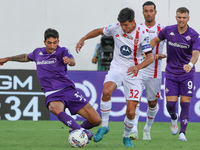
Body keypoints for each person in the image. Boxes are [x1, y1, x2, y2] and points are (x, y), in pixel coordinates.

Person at [0, 28, 102, 143]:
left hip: (68, 90)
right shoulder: (37, 52)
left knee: (96, 120)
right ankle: (81, 131)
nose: (52, 46)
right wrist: (8, 59)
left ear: (58, 42)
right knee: (54, 108)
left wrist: (68, 60)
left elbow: (73, 61)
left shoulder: (62, 51)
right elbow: (25, 57)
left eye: (55, 42)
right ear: (45, 42)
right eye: (49, 43)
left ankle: (78, 130)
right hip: (52, 93)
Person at [76, 8, 154, 147]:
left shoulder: (142, 34)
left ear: (133, 22)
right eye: (122, 25)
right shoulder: (116, 27)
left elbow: (150, 57)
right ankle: (104, 126)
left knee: (131, 112)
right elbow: (100, 30)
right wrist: (84, 38)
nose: (123, 28)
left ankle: (126, 136)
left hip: (134, 73)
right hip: (117, 68)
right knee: (106, 91)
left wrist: (138, 67)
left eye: (126, 25)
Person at [150, 7, 200, 141]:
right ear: (176, 17)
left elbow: (196, 53)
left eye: (184, 17)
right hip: (171, 73)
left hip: (186, 73)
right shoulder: (168, 30)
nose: (181, 20)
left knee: (185, 102)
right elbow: (154, 41)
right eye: (179, 17)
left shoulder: (194, 35)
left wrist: (190, 65)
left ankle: (182, 133)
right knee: (170, 105)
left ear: (188, 18)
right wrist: (148, 53)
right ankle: (173, 117)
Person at [130, 1, 166, 140]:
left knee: (152, 103)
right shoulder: (137, 29)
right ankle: (134, 129)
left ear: (155, 12)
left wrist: (161, 56)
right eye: (146, 11)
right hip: (139, 70)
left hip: (155, 72)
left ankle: (147, 129)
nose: (148, 13)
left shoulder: (162, 29)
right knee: (135, 100)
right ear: (143, 12)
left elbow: (171, 49)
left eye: (151, 10)